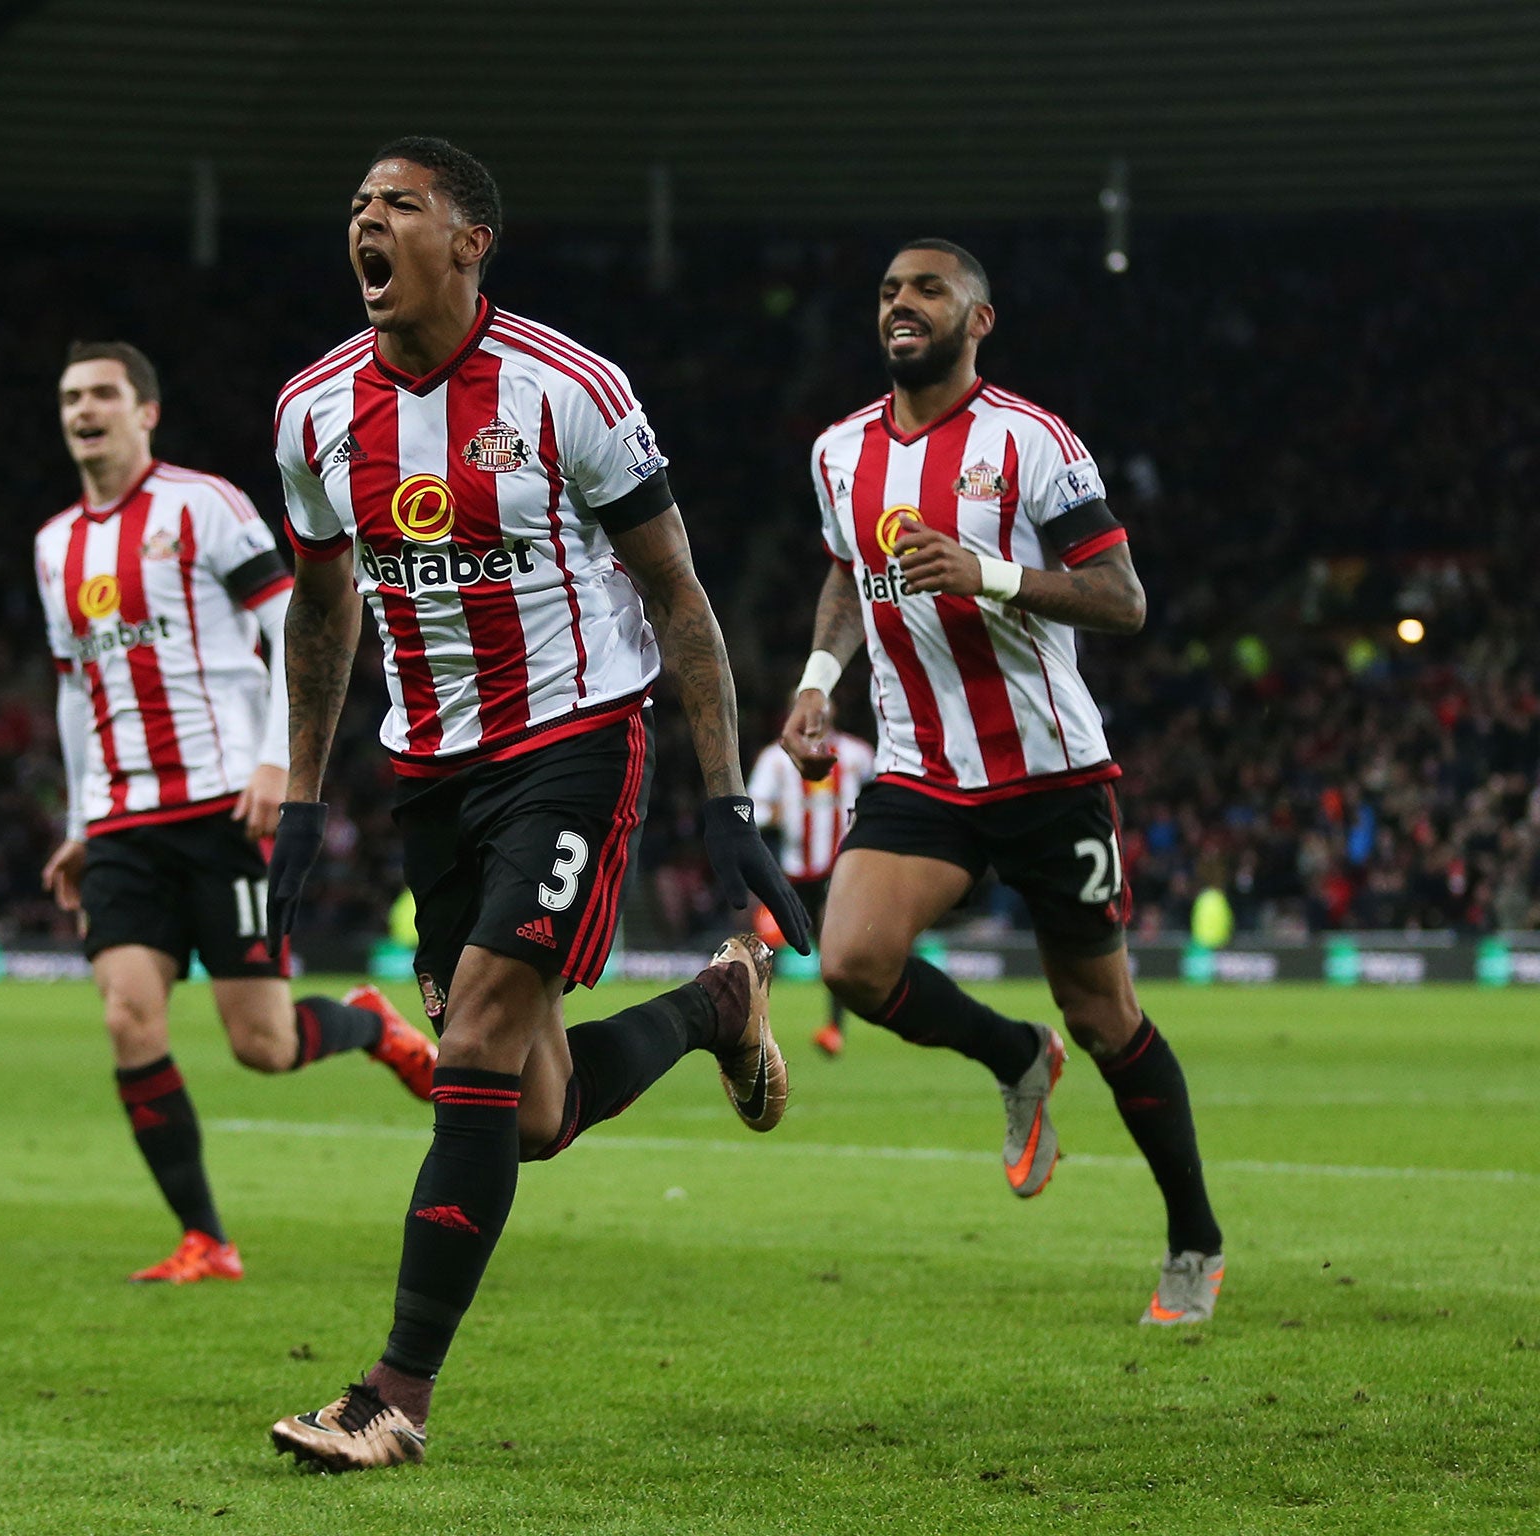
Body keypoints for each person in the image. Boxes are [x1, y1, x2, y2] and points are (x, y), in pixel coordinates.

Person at [262, 137, 810, 1470]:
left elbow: (677, 593)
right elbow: (324, 607)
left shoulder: (570, 389)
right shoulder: (312, 412)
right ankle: (715, 1005)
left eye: (399, 203)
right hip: (431, 775)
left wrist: (727, 791)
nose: (368, 222)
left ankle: (394, 1394)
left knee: (479, 1044)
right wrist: (300, 798)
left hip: (574, 741)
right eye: (357, 205)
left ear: (469, 240)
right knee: (537, 1114)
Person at [783, 239, 1224, 1327]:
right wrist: (815, 680)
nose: (901, 304)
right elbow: (847, 571)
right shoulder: (838, 452)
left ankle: (1192, 1240)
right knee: (847, 959)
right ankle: (1013, 1054)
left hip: (1047, 772)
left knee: (1106, 1013)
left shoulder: (1031, 443)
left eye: (927, 290)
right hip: (920, 765)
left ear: (977, 321)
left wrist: (985, 571)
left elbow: (1120, 599)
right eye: (889, 290)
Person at [35, 340, 438, 1287]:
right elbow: (72, 690)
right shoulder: (57, 546)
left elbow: (290, 620)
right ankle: (206, 1240)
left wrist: (275, 762)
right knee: (129, 1018)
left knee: (263, 1046)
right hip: (126, 821)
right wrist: (80, 818)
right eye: (69, 399)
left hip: (226, 806)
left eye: (102, 395)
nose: (83, 411)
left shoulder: (201, 505)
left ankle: (372, 1026)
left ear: (145, 412)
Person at [746, 714, 874, 1056]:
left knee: (833, 947)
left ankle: (834, 1028)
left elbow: (884, 787)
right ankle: (749, 1026)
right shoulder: (776, 758)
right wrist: (777, 815)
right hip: (792, 870)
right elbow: (752, 806)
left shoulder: (855, 753)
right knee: (766, 944)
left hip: (839, 867)